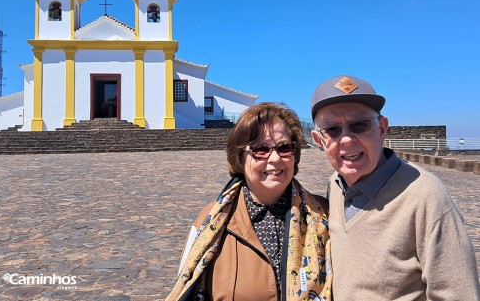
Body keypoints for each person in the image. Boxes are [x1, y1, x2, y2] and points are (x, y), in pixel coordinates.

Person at [310, 75, 480, 300]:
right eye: (332, 129)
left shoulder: (426, 196)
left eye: (359, 125)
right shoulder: (334, 185)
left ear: (381, 129)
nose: (347, 139)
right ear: (319, 140)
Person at [166, 102, 332, 301]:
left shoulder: (323, 214)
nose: (274, 158)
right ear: (240, 158)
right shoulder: (210, 221)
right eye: (260, 149)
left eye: (284, 148)